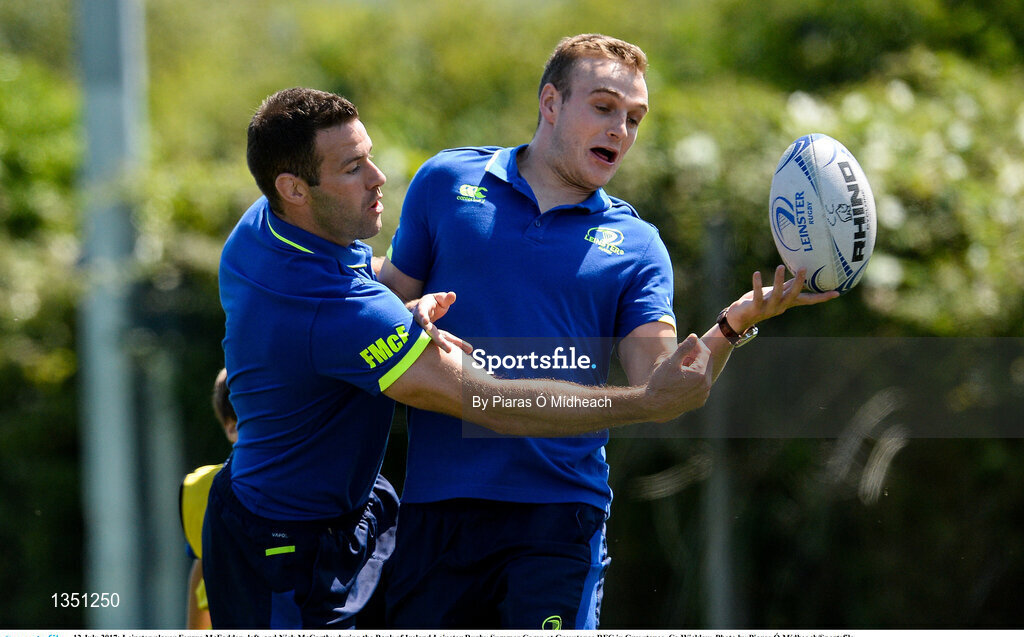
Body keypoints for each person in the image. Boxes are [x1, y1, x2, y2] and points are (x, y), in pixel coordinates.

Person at [204, 86, 784, 629]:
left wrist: (728, 332)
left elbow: (360, 300)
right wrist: (642, 404)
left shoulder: (268, 228)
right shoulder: (339, 306)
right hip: (282, 543)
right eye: (352, 169)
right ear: (293, 188)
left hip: (369, 517)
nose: (379, 178)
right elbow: (487, 400)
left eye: (368, 156)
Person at [378, 34, 837, 629]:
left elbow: (664, 386)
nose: (620, 129)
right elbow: (384, 313)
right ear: (550, 102)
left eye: (634, 118)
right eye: (603, 107)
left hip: (558, 516)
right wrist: (404, 318)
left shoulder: (638, 245)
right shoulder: (444, 182)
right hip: (438, 508)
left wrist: (734, 324)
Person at [179, 368, 237, 630]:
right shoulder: (202, 490)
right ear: (231, 426)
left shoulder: (201, 488)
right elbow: (201, 570)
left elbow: (199, 573)